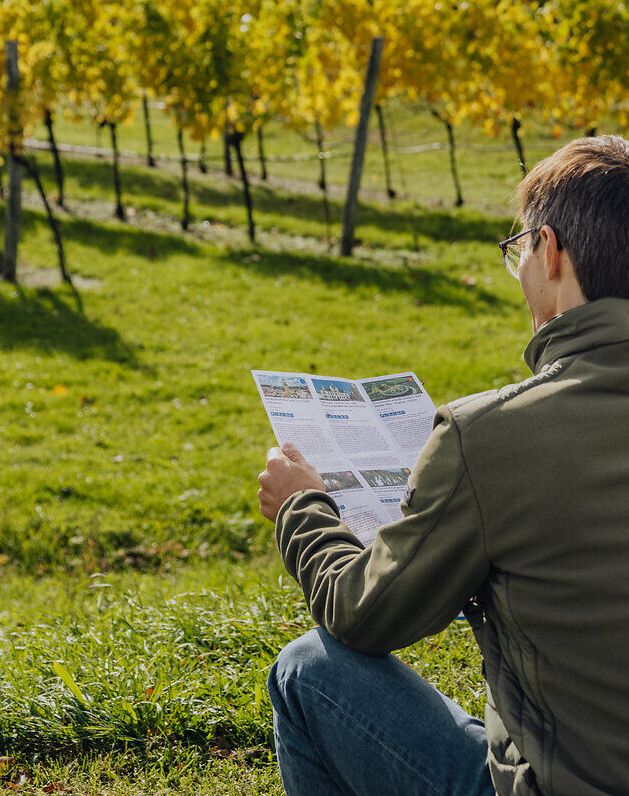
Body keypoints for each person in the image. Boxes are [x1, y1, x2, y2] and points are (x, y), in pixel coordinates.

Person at [257, 135, 629, 796]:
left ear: (549, 251)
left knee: (309, 669)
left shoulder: (490, 435)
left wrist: (300, 507)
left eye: (518, 249)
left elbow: (362, 615)